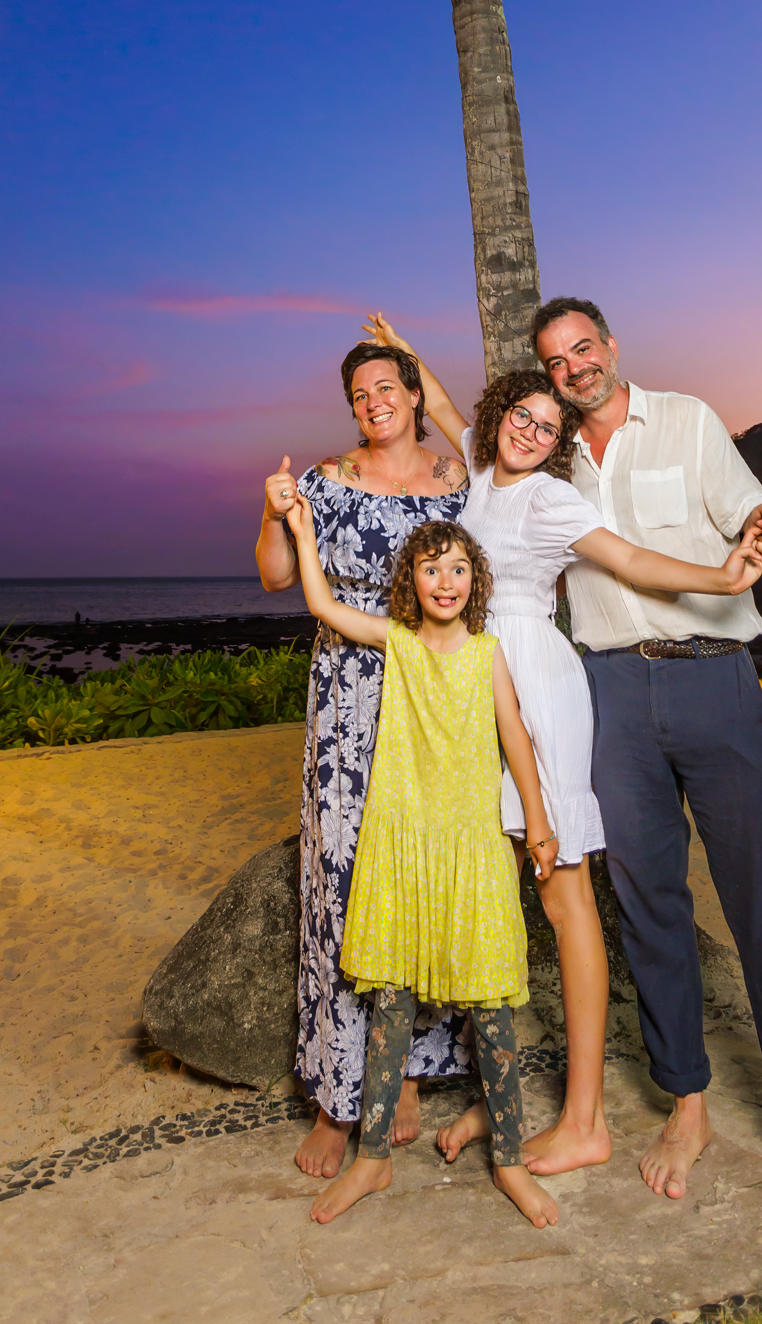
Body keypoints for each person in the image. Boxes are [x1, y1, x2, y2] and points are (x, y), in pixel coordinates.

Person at [366, 314, 762, 1183]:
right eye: (523, 413)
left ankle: (585, 1119)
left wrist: (719, 575)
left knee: (563, 893)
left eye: (549, 427)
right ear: (504, 412)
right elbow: (435, 402)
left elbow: (630, 560)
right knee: (501, 885)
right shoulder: (477, 464)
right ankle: (503, 1092)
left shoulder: (553, 498)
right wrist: (399, 352)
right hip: (473, 688)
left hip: (536, 686)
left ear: (556, 445)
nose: (531, 429)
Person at [531, 296, 762, 1245]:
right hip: (610, 697)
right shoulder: (551, 461)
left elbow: (747, 508)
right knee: (651, 909)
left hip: (714, 681)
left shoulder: (688, 419)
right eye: (555, 361)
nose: (574, 366)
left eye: (584, 347)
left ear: (611, 348)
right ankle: (687, 1102)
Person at [282, 501, 562, 1231]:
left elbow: (518, 742)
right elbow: (321, 604)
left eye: (459, 568)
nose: (446, 580)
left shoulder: (487, 654)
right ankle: (371, 1160)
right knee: (391, 1010)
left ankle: (508, 1162)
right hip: (399, 846)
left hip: (471, 850)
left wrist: (535, 820)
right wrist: (305, 535)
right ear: (412, 579)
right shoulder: (399, 644)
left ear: (477, 579)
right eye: (432, 568)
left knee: (494, 1013)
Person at [255, 342, 469, 1179]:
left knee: (417, 879)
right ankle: (337, 1096)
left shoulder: (455, 480)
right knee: (342, 886)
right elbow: (276, 577)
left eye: (387, 385)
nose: (372, 400)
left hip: (434, 702)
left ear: (415, 394)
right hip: (349, 703)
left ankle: (406, 1068)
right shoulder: (325, 479)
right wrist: (274, 511)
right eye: (358, 392)